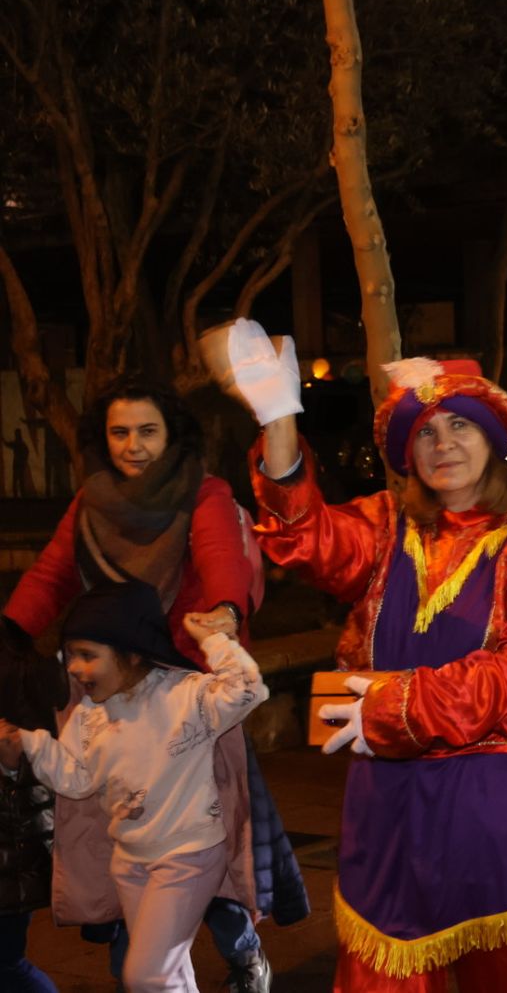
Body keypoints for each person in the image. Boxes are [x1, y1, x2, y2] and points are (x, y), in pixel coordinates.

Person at [207, 321, 507, 992]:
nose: (443, 443)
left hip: (499, 813)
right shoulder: (385, 525)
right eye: (426, 431)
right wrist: (279, 421)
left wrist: (377, 703)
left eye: (459, 427)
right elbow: (305, 536)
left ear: (492, 438)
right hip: (390, 814)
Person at [2, 378, 296, 993]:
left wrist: (223, 613)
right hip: (110, 687)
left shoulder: (203, 492)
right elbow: (53, 573)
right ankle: (145, 967)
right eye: (119, 432)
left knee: (205, 843)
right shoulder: (91, 501)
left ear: (173, 435)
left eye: (147, 430)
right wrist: (8, 630)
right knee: (108, 831)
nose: (133, 445)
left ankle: (238, 954)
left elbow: (223, 556)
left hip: (189, 689)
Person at [0, 581, 267, 993]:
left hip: (188, 857)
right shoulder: (89, 715)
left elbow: (247, 690)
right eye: (71, 655)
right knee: (169, 974)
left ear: (133, 651)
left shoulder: (185, 697)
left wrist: (214, 639)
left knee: (146, 975)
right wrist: (31, 744)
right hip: (131, 861)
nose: (73, 667)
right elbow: (75, 779)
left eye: (88, 656)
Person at [0, 610, 67, 992]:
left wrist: (11, 763)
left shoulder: (17, 661)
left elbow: (40, 762)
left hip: (10, 851)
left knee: (7, 965)